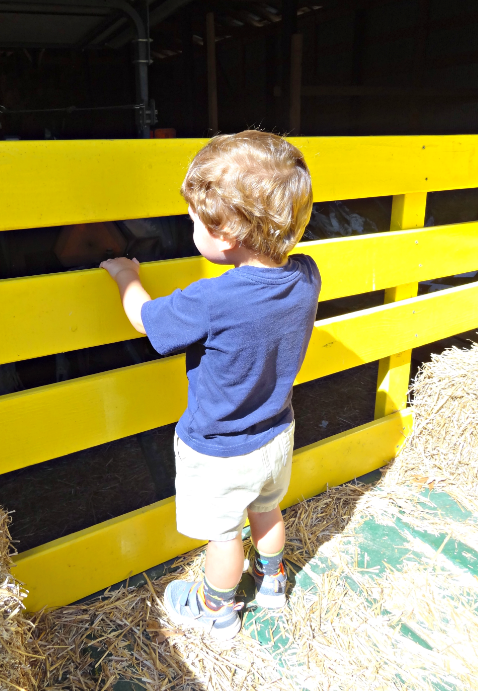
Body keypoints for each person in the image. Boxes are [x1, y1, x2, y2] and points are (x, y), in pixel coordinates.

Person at [101, 130, 321, 640]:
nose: (191, 228)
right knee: (266, 510)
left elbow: (146, 322)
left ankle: (214, 611)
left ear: (227, 233)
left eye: (195, 220)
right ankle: (272, 584)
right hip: (277, 432)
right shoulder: (307, 275)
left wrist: (123, 275)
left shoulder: (213, 299)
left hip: (221, 449)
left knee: (224, 539)